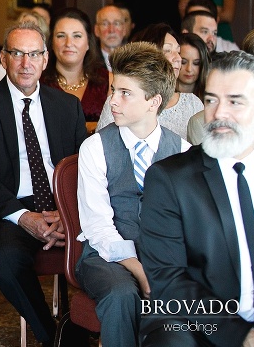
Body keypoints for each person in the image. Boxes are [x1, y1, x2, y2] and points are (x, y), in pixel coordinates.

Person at [0, 22, 87, 347]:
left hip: (62, 210)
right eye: (17, 54)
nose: (26, 63)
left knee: (108, 251)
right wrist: (22, 216)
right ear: (4, 58)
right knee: (6, 262)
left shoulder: (66, 106)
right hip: (5, 211)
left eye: (33, 54)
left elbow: (83, 169)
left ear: (46, 59)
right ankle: (56, 337)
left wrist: (65, 212)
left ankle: (94, 329)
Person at [141, 50, 254, 347]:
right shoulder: (170, 179)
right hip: (198, 325)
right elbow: (168, 280)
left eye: (234, 101)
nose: (218, 113)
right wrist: (242, 336)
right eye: (211, 100)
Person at [76, 42, 189, 347]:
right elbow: (98, 227)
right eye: (114, 90)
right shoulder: (95, 147)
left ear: (154, 102)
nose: (113, 101)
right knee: (122, 294)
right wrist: (140, 272)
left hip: (164, 256)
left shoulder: (183, 151)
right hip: (105, 256)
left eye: (125, 93)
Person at [96, 24, 203, 141]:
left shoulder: (192, 104)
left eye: (178, 51)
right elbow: (102, 146)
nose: (178, 58)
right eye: (168, 50)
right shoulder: (116, 102)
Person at [41, 7, 110, 124]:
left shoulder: (108, 80)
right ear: (51, 42)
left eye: (77, 36)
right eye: (61, 36)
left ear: (88, 42)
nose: (69, 43)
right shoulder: (38, 81)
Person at [0, 9, 49, 83]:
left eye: (34, 54)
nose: (26, 65)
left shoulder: (50, 74)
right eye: (17, 54)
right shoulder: (0, 70)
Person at [94, 4, 130, 71]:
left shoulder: (133, 60)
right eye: (105, 24)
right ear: (96, 30)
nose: (111, 30)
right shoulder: (88, 61)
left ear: (124, 29)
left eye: (116, 23)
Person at [178, 32, 210, 99]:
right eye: (183, 62)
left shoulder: (209, 95)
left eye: (196, 63)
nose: (189, 69)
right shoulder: (161, 94)